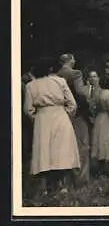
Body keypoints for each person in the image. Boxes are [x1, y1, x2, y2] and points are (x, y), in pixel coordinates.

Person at [24, 57, 80, 194]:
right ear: (50, 69)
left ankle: (44, 187)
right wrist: (65, 114)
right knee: (62, 150)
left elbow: (28, 110)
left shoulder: (31, 85)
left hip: (42, 119)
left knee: (44, 151)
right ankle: (63, 185)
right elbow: (72, 104)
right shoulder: (60, 81)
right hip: (60, 116)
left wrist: (36, 119)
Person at [57, 53, 91, 186]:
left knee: (63, 146)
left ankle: (65, 180)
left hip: (61, 113)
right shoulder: (76, 73)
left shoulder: (56, 75)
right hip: (77, 114)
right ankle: (81, 179)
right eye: (74, 59)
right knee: (82, 146)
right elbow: (80, 93)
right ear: (71, 61)